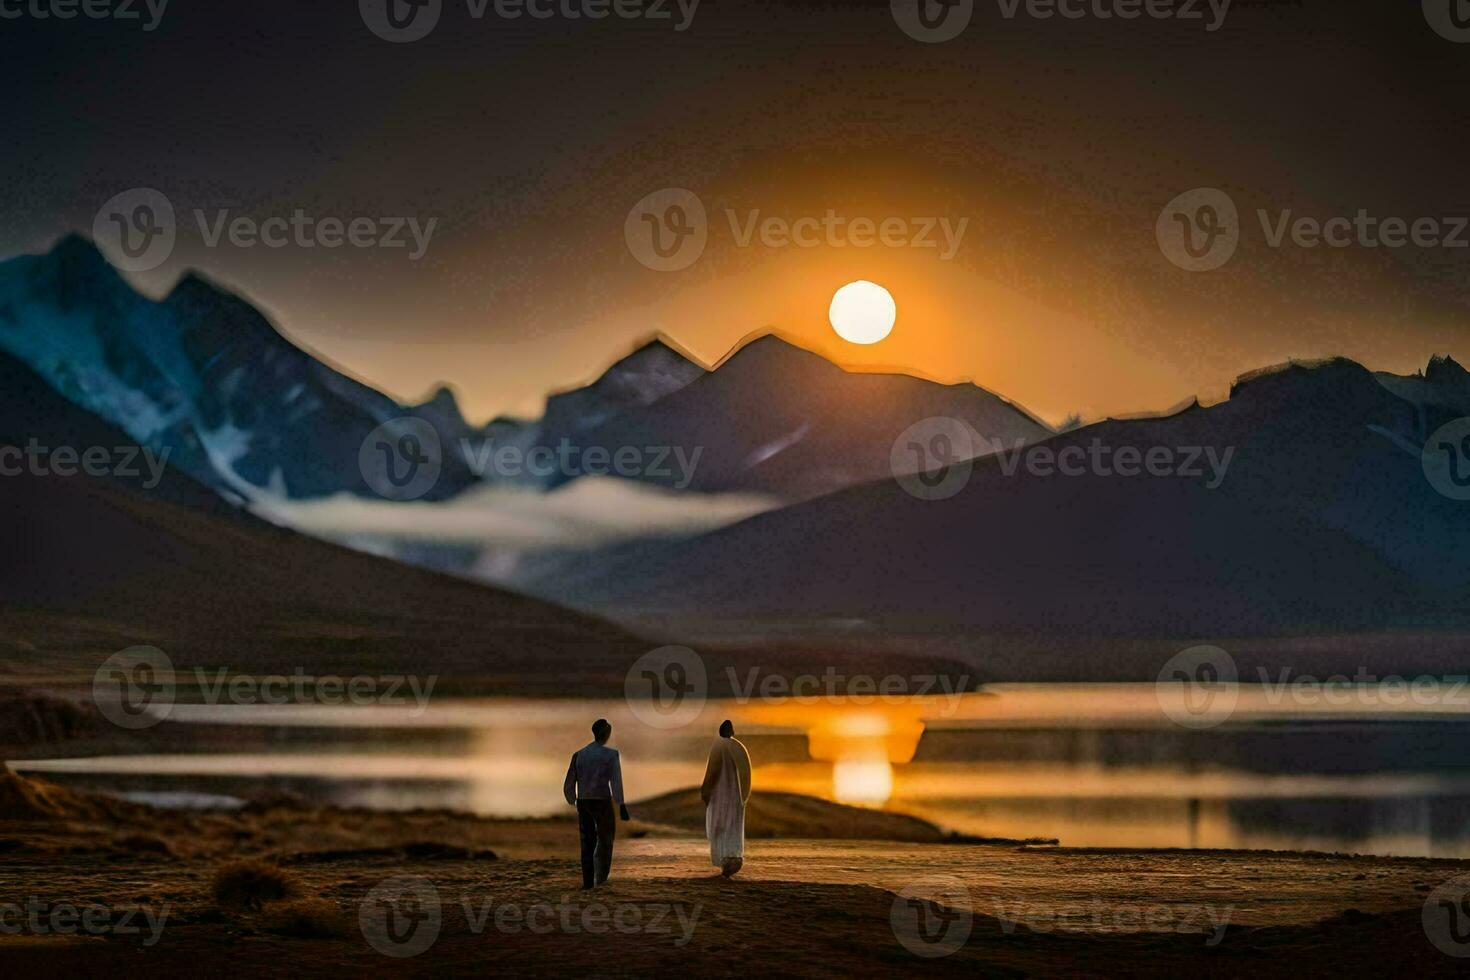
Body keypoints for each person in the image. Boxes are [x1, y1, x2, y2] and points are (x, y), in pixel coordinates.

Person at [563, 718, 630, 890]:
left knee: (587, 842)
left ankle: (588, 881)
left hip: (584, 801)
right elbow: (616, 782)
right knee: (606, 840)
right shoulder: (611, 755)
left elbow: (570, 781)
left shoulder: (579, 754)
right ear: (606, 734)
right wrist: (621, 804)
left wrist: (572, 799)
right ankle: (601, 878)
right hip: (602, 802)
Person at [700, 719, 752, 878]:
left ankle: (726, 858)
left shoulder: (719, 746)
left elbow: (712, 771)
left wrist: (706, 791)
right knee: (731, 825)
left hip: (720, 795)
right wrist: (744, 796)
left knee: (721, 825)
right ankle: (732, 857)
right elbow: (746, 774)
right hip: (735, 796)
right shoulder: (738, 747)